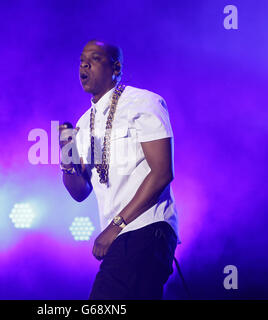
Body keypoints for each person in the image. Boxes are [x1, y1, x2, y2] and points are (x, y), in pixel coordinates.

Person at [59, 40, 179, 300]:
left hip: (147, 230)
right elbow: (80, 192)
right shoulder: (83, 122)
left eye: (95, 58)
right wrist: (67, 155)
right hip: (120, 240)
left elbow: (162, 173)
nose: (84, 64)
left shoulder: (143, 102)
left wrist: (115, 227)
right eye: (81, 60)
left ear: (116, 68)